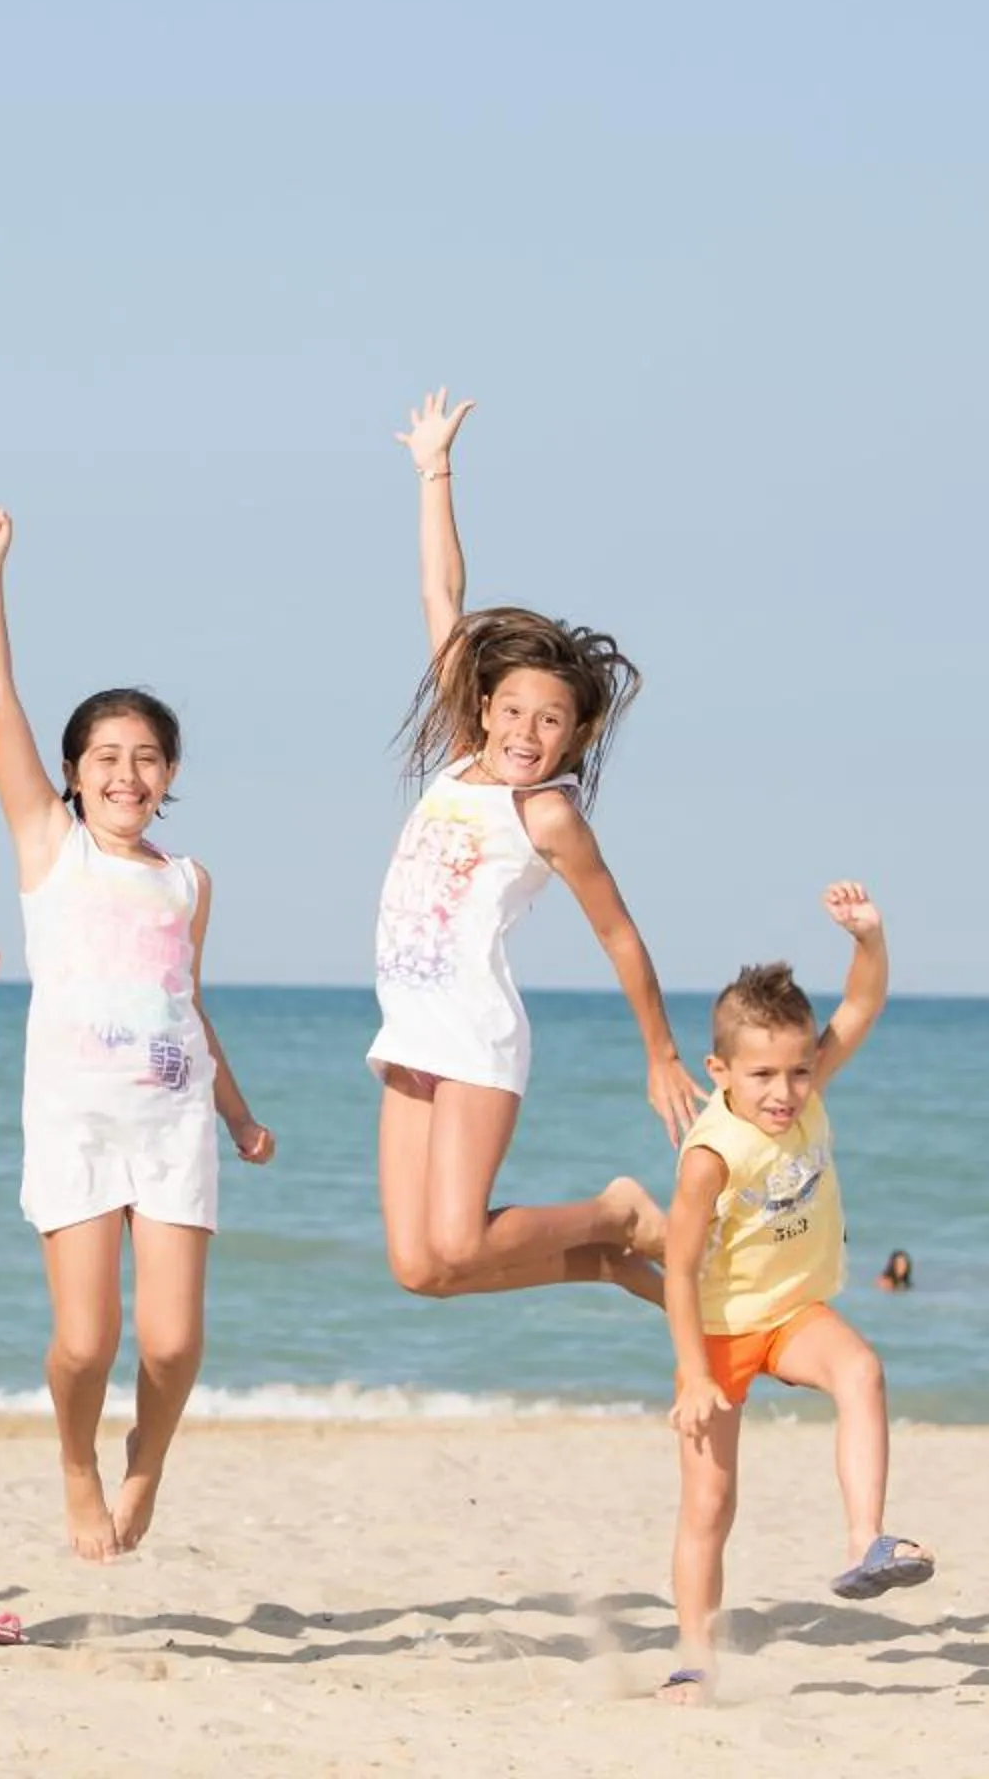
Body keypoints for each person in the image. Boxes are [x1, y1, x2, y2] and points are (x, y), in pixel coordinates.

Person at [0, 508, 273, 1561]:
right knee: (85, 1338)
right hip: (76, 1122)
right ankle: (78, 1459)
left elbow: (190, 999)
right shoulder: (51, 847)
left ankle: (147, 1456)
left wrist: (236, 1111)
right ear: (74, 770)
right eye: (107, 755)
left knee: (176, 1341)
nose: (127, 773)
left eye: (147, 757)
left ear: (170, 772)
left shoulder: (190, 880)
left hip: (175, 1120)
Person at [370, 388, 693, 1304]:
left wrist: (660, 1053)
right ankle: (604, 1260)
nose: (525, 731)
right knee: (423, 1269)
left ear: (574, 738)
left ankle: (617, 1215)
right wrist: (435, 469)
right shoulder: (461, 759)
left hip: (474, 1031)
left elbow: (620, 935)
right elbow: (443, 592)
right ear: (481, 706)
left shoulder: (547, 814)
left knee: (462, 1241)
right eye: (512, 709)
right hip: (409, 1033)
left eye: (549, 720)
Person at [658, 882, 935, 1705]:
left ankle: (866, 1542)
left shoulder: (806, 1090)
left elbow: (862, 1002)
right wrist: (697, 1376)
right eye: (763, 1076)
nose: (784, 1092)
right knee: (710, 1502)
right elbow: (677, 1269)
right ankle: (692, 1655)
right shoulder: (713, 1153)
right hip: (716, 1332)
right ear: (722, 1072)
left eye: (799, 1072)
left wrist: (869, 937)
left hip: (793, 1314)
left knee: (863, 1371)